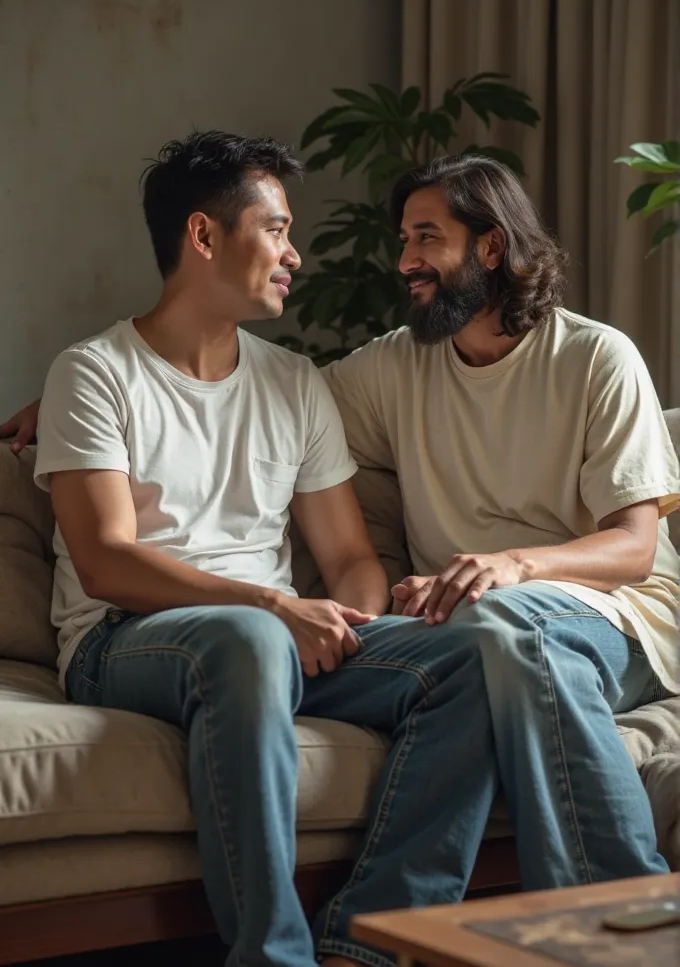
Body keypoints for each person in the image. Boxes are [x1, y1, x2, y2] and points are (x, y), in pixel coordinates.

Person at [1, 144, 677, 962]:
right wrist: (276, 606)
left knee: (470, 657)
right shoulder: (103, 373)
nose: (299, 254)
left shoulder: (306, 383)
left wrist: (350, 621)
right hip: (134, 632)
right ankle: (273, 954)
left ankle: (371, 941)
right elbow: (107, 562)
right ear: (205, 237)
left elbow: (354, 551)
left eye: (423, 239)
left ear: (490, 247)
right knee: (297, 637)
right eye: (278, 229)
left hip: (584, 614)